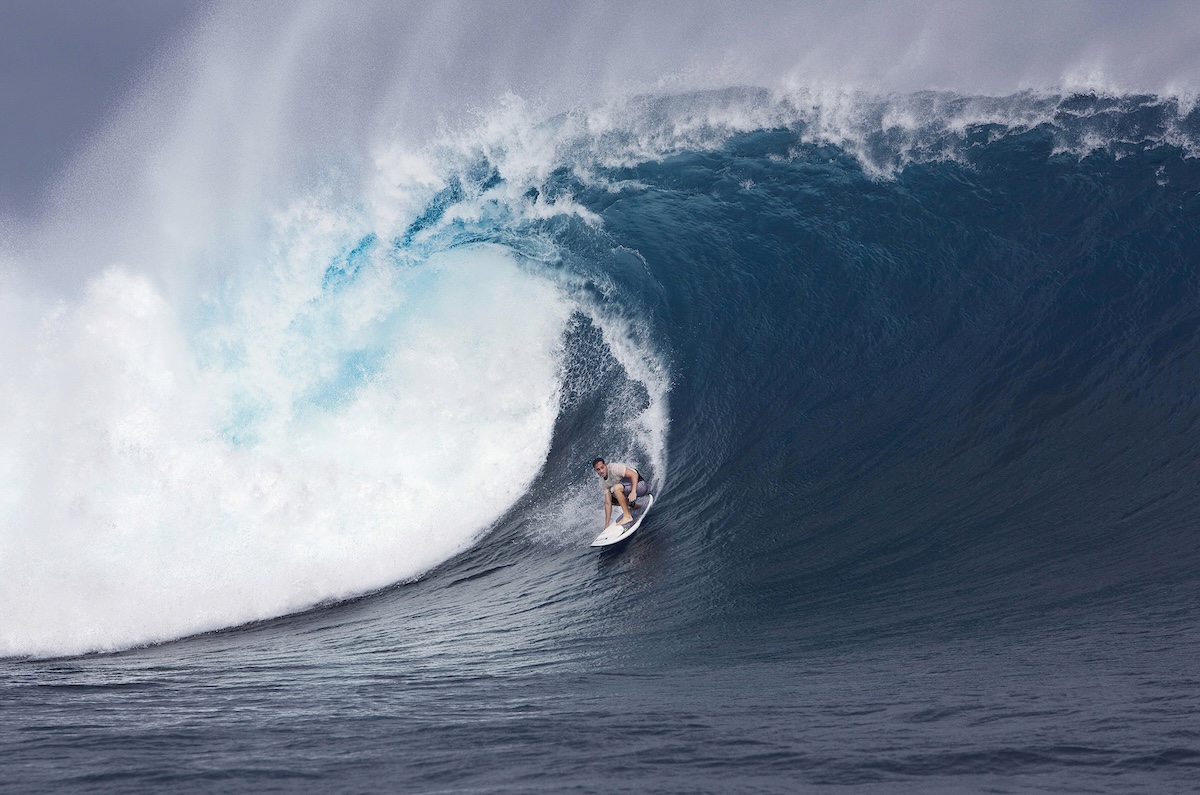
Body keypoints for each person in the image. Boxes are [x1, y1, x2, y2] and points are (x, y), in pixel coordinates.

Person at [592, 457, 648, 528]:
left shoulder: (614, 468)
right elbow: (608, 503)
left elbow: (634, 474)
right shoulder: (603, 483)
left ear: (605, 465)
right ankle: (635, 506)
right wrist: (606, 524)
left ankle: (627, 516)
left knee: (616, 488)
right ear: (595, 471)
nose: (601, 471)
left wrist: (633, 491)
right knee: (611, 500)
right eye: (598, 469)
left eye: (602, 467)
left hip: (640, 486)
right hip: (629, 490)